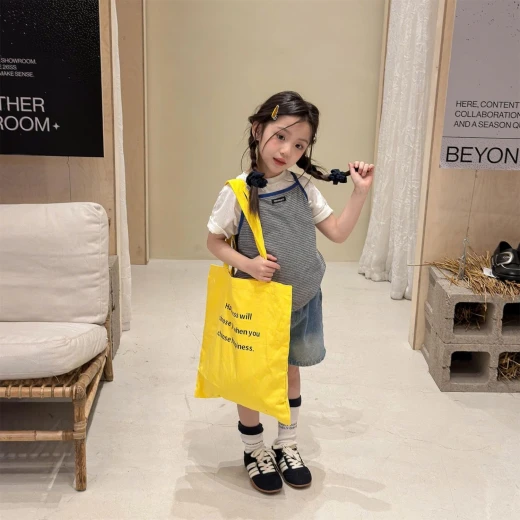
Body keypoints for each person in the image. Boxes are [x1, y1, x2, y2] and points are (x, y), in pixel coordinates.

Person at [207, 91, 374, 494]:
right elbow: (214, 242)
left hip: (302, 301)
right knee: (251, 378)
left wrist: (359, 192)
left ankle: (287, 443)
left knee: (290, 371)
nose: (287, 151)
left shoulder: (303, 185)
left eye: (299, 144)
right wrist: (249, 264)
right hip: (258, 305)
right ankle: (254, 450)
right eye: (280, 136)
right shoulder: (237, 191)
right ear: (257, 129)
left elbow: (338, 233)